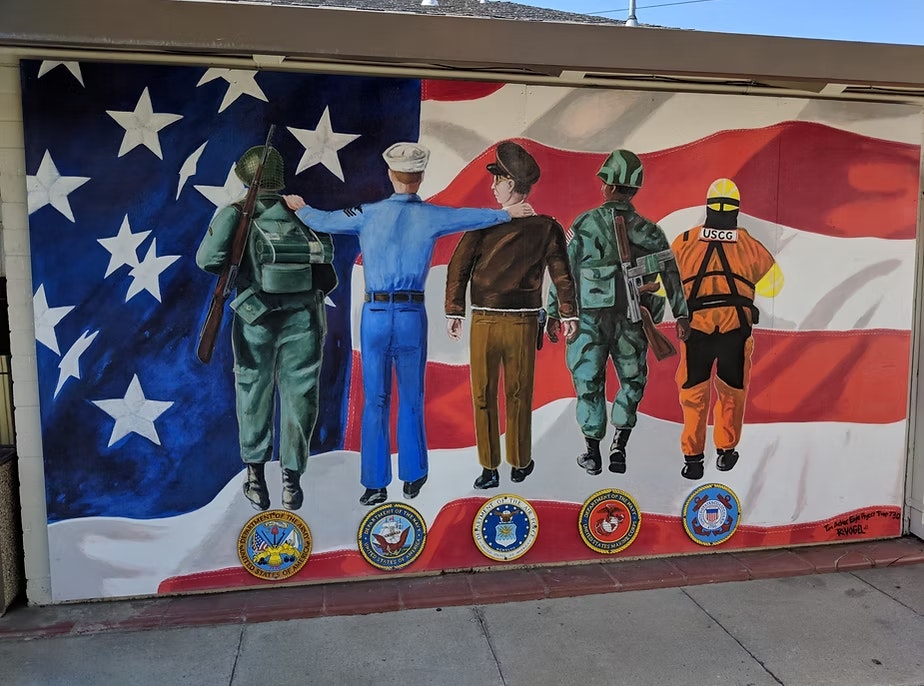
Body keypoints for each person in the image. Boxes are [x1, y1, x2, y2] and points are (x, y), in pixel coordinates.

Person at [284, 142, 535, 506]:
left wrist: (301, 208)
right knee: (412, 398)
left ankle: (374, 484)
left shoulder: (367, 214)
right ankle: (413, 475)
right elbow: (468, 217)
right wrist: (505, 214)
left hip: (374, 315)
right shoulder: (432, 216)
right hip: (411, 316)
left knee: (375, 400)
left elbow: (323, 220)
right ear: (420, 176)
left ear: (391, 174)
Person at [196, 145, 338, 511]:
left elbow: (208, 260)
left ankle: (255, 478)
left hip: (254, 316)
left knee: (252, 391)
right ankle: (292, 481)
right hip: (305, 318)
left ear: (245, 176)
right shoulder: (302, 213)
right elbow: (328, 275)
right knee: (300, 395)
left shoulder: (234, 213)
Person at [444, 141, 578, 490]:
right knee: (489, 394)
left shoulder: (544, 227)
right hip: (491, 319)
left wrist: (568, 313)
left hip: (518, 319)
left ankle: (515, 462)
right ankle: (494, 465)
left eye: (498, 180)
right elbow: (459, 267)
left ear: (513, 184)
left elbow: (561, 272)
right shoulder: (487, 224)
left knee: (513, 393)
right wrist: (454, 310)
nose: (492, 187)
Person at [547, 149, 690, 475]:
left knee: (588, 380)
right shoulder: (651, 231)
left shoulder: (584, 224)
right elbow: (671, 275)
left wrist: (555, 311)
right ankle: (619, 447)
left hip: (590, 320)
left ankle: (592, 452)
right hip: (632, 318)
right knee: (632, 379)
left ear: (608, 186)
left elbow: (564, 271)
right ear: (634, 189)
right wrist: (681, 314)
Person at [671, 178, 778, 479]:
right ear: (736, 210)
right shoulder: (750, 245)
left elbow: (667, 286)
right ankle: (725, 452)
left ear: (707, 207)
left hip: (696, 330)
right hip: (736, 330)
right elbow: (774, 286)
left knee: (693, 393)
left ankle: (693, 459)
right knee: (732, 391)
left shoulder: (684, 241)